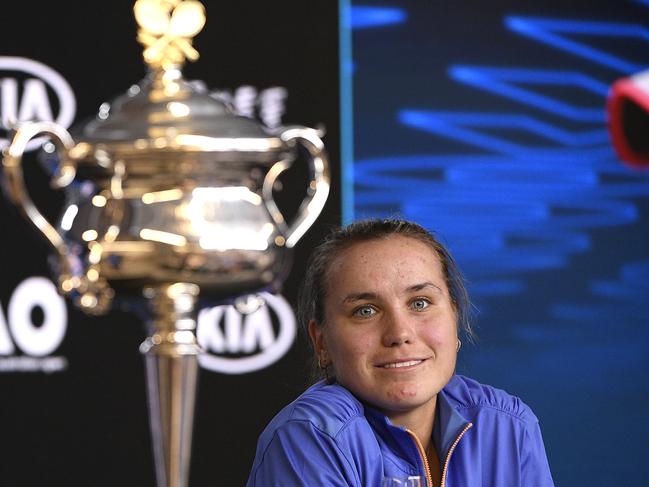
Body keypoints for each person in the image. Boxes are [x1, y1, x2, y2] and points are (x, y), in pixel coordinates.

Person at [247, 218, 554, 486]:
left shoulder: (509, 426)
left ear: (455, 318)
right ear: (322, 343)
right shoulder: (309, 438)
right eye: (365, 310)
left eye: (420, 303)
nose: (400, 334)